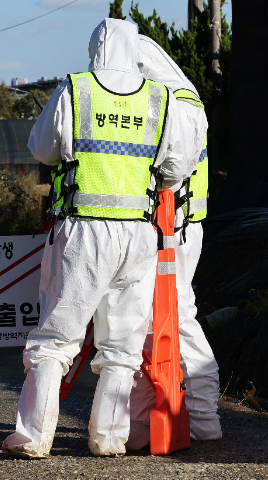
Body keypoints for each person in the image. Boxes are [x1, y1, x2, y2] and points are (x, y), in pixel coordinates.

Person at [2, 18, 188, 459]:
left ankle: (34, 437)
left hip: (84, 229)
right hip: (139, 234)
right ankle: (108, 438)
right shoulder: (159, 97)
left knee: (56, 337)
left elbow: (42, 150)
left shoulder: (76, 88)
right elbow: (176, 169)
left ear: (94, 50)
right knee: (123, 344)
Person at [126, 35, 221, 449]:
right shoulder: (186, 97)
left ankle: (198, 417)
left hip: (172, 228)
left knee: (174, 317)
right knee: (166, 317)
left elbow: (169, 170)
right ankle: (185, 419)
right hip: (180, 225)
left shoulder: (172, 101)